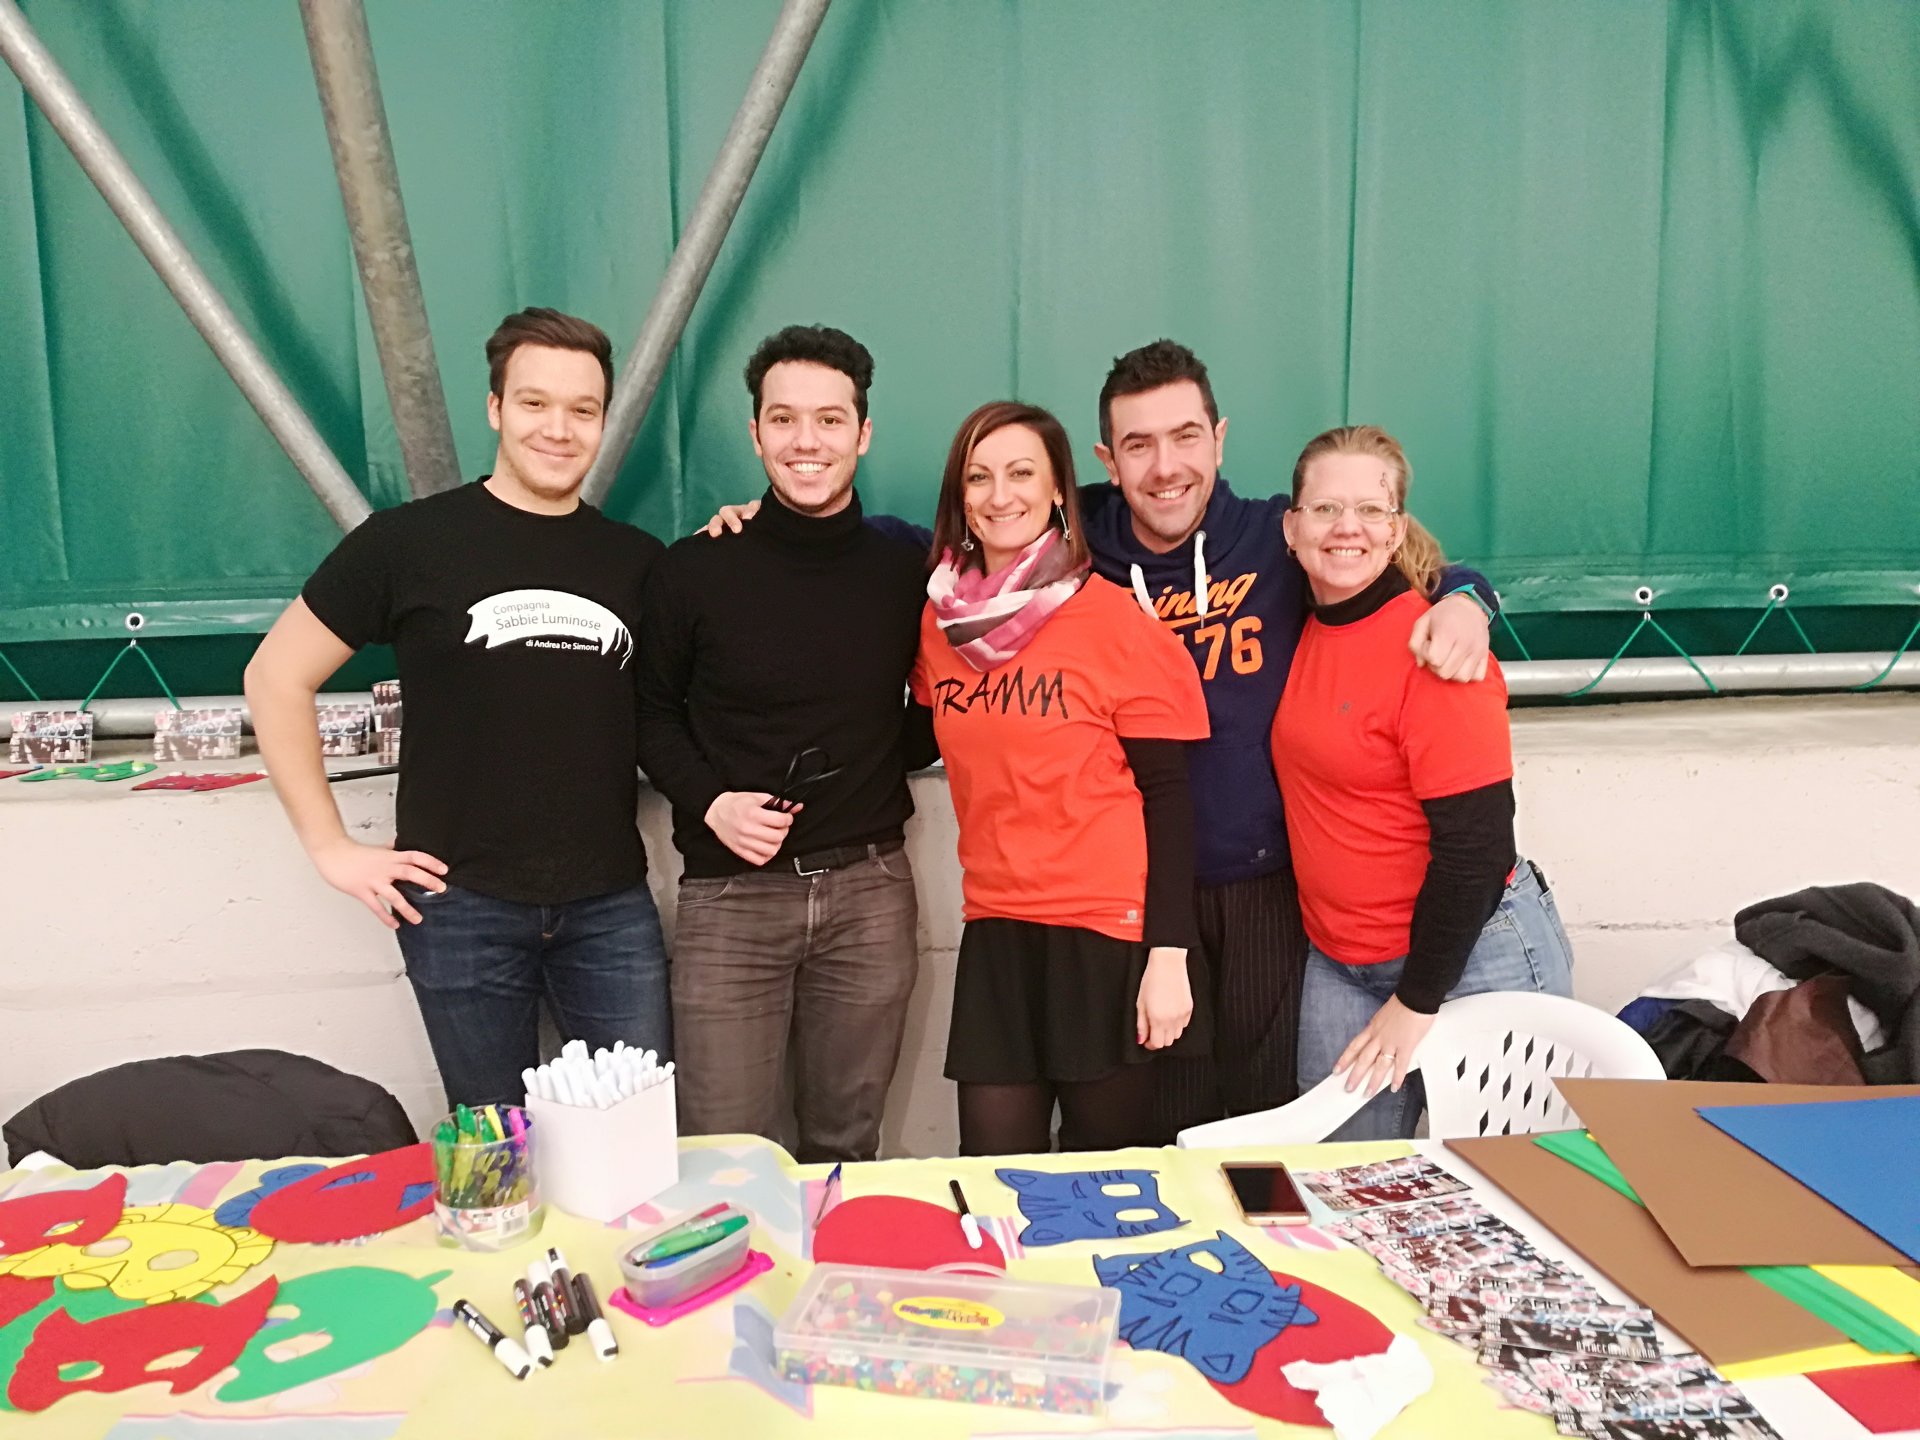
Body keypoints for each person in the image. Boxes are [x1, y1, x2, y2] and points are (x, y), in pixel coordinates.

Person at [245, 308, 671, 1110]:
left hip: (609, 908)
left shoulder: (638, 561)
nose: (559, 428)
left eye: (582, 409)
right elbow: (275, 677)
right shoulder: (406, 544)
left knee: (635, 1136)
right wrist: (330, 847)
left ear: (603, 421)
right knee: (494, 1151)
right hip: (459, 908)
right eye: (535, 402)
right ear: (496, 408)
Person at [1082, 340, 1500, 1136]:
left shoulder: (1276, 535)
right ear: (1108, 460)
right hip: (1140, 892)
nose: (1165, 467)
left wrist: (1469, 599)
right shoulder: (1077, 549)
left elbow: (1392, 558)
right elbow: (984, 526)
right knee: (1169, 1125)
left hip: (1269, 889)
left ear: (1219, 439)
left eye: (1185, 436)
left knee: (1273, 1123)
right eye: (1138, 444)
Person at [634, 325, 933, 1165]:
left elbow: (928, 715)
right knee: (724, 1155)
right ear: (756, 432)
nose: (808, 441)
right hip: (732, 900)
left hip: (870, 895)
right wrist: (711, 802)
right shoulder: (695, 569)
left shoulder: (906, 567)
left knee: (847, 1143)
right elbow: (648, 713)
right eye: (784, 419)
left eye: (830, 420)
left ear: (863, 434)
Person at [912, 402, 1210, 1155]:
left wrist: (1169, 956)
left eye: (1021, 474)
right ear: (960, 496)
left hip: (1105, 935)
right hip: (997, 929)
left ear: (1056, 492)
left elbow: (1169, 798)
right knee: (991, 1174)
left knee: (1104, 1183)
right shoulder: (940, 624)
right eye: (978, 477)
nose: (999, 495)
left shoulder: (1113, 621)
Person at [1272, 424, 1573, 1141]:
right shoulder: (1297, 620)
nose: (1347, 527)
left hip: (1470, 957)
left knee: (1517, 1182)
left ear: (1396, 528)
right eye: (1325, 509)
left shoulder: (1437, 650)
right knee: (1338, 1179)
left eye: (1370, 510)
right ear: (1291, 528)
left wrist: (1416, 1000)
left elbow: (1476, 849)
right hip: (1341, 962)